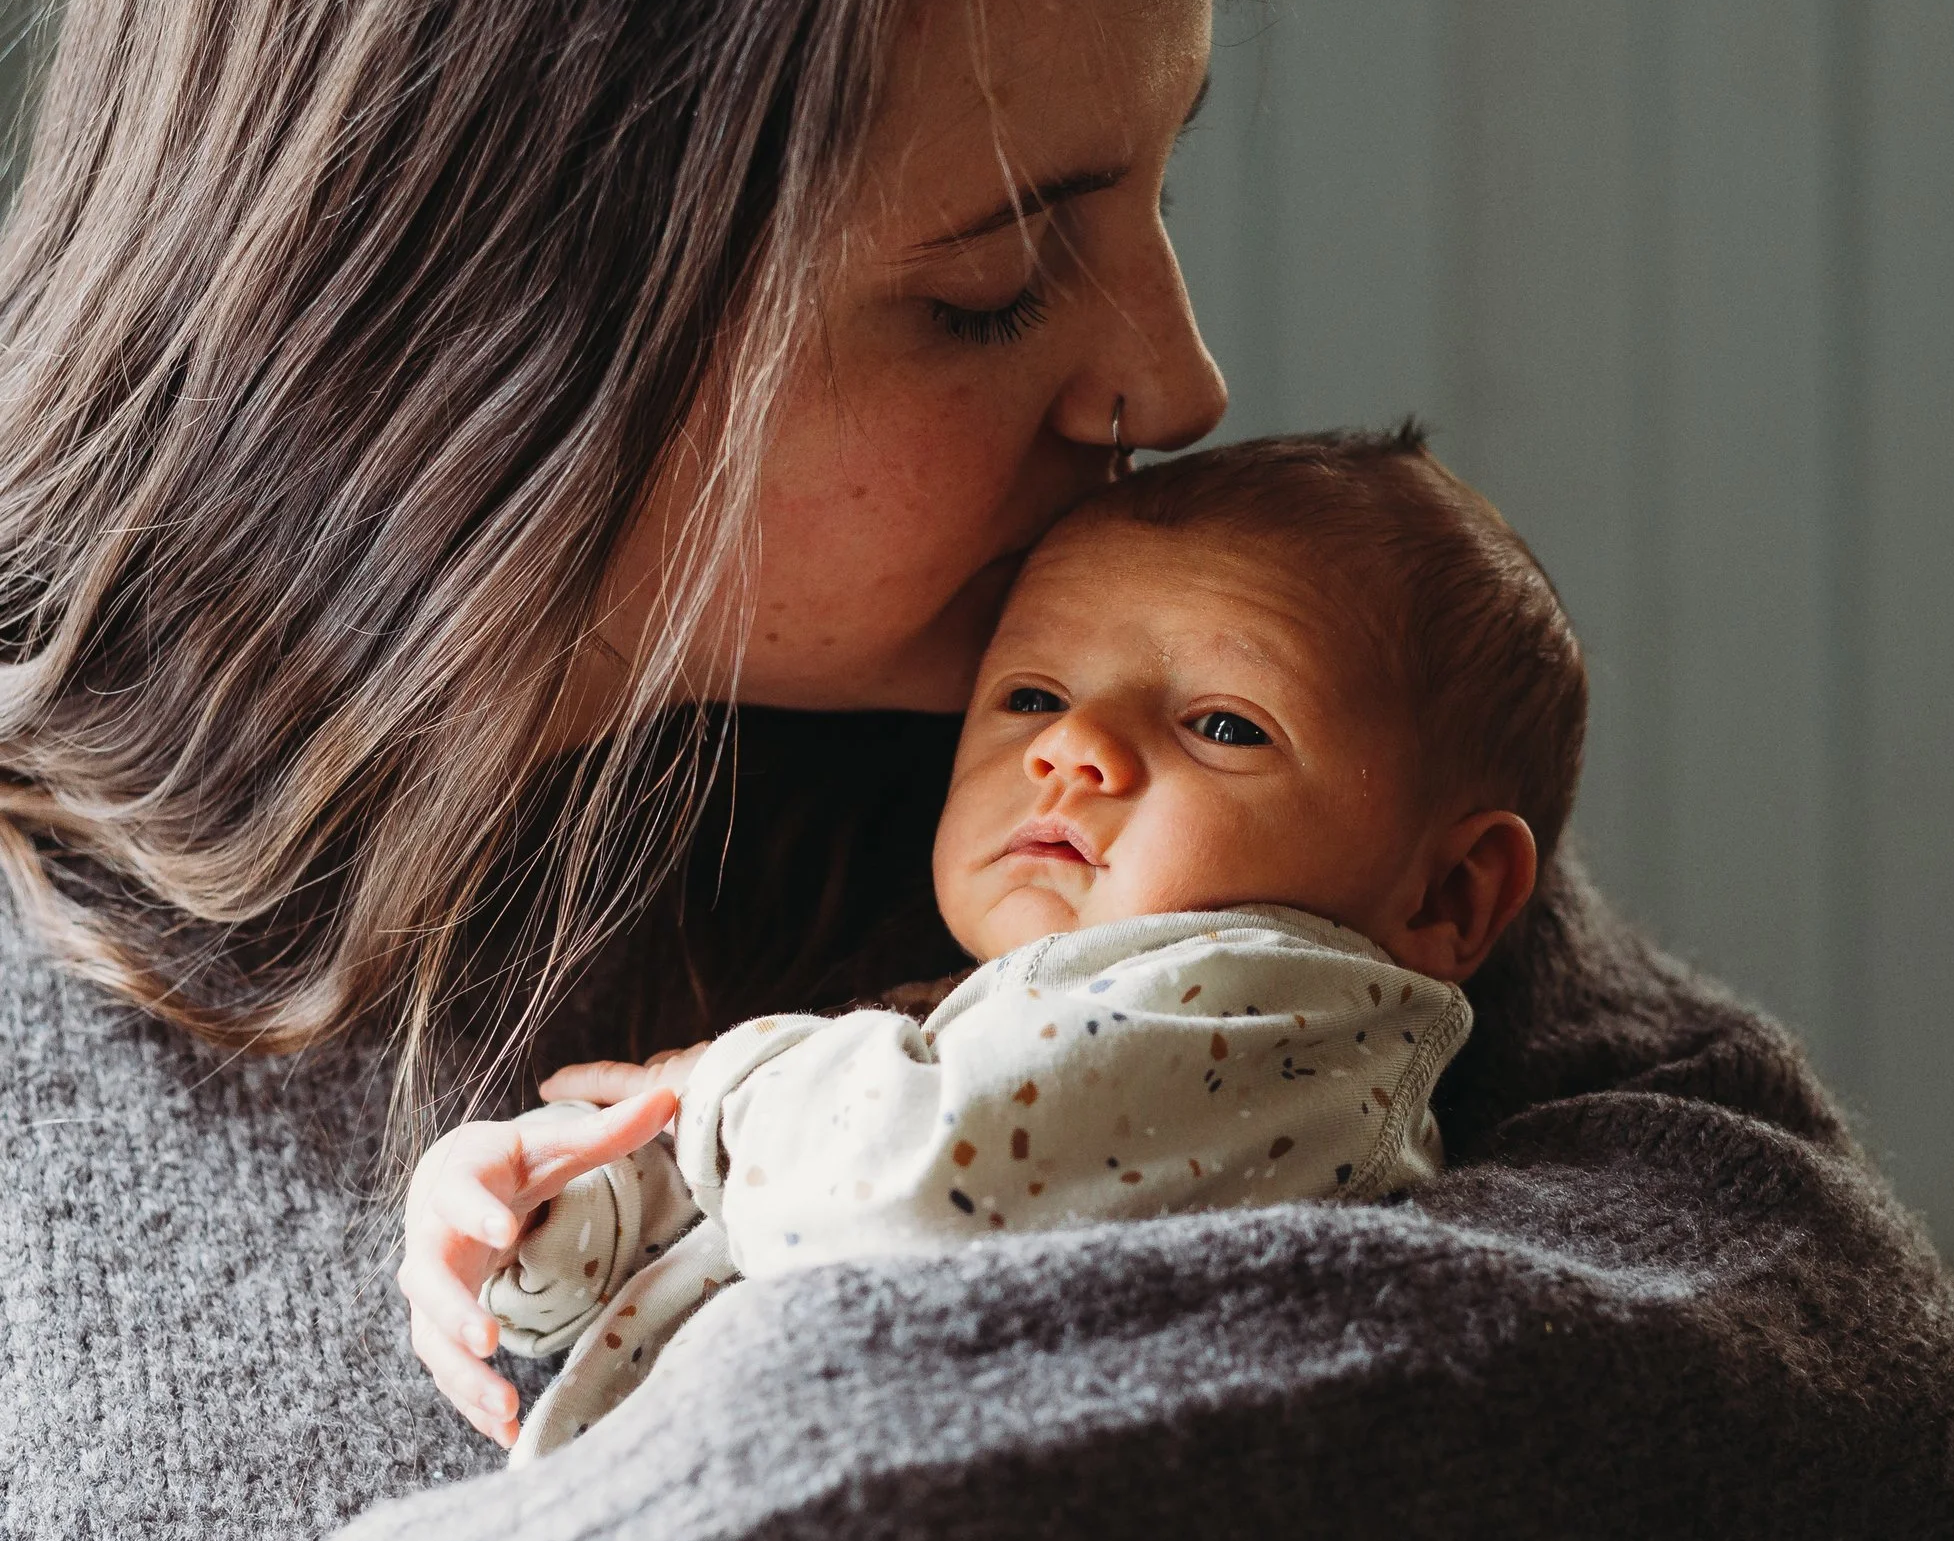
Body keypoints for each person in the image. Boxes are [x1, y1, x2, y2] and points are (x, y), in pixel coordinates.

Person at [0, 0, 1954, 1541]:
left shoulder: (1118, 781)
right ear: (469, 295)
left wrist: (743, 1482)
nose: (1176, 374)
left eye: (1155, 183)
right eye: (990, 285)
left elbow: (1813, 1361)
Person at [409, 432, 1564, 1460]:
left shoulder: (1282, 1022)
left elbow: (895, 1193)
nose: (1072, 746)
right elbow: (757, 1209)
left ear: (1451, 894)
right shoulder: (962, 1030)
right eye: (1027, 696)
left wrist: (718, 1083)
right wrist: (551, 1210)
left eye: (1222, 724)